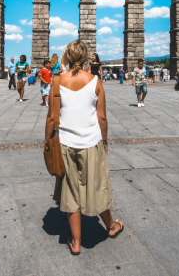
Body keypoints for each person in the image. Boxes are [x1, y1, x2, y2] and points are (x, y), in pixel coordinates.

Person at [45, 40, 122, 255]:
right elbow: (102, 117)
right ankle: (111, 226)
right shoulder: (95, 80)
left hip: (66, 145)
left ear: (67, 57)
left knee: (70, 191)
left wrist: (46, 142)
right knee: (97, 185)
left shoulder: (57, 81)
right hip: (92, 143)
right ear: (86, 57)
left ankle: (76, 242)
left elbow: (51, 117)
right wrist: (105, 142)